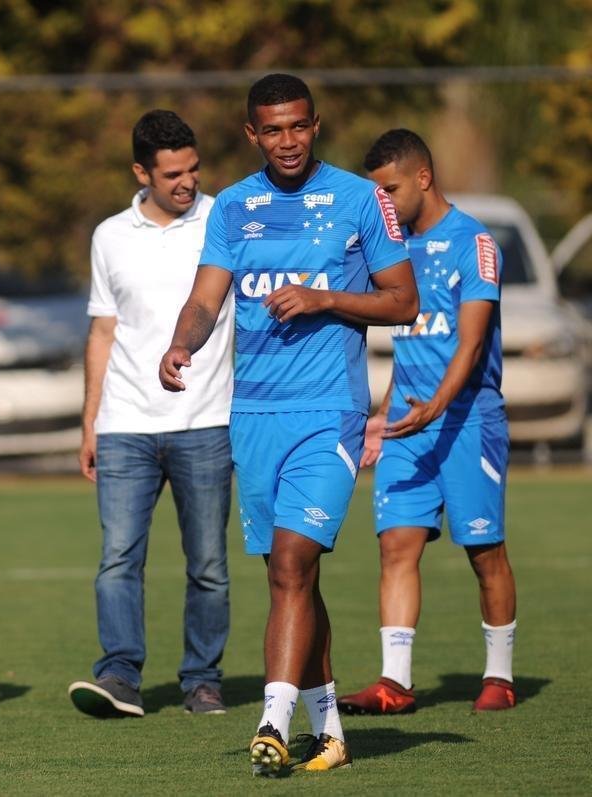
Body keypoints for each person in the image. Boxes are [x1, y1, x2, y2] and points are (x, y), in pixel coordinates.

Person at [159, 74, 418, 776]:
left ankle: (272, 722)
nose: (287, 140)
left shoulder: (361, 201)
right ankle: (330, 731)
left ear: (316, 124)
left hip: (328, 412)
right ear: (251, 134)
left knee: (294, 564)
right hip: (254, 417)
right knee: (291, 574)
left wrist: (324, 297)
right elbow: (206, 299)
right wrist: (183, 341)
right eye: (272, 130)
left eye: (298, 126)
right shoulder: (234, 208)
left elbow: (403, 299)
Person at [338, 129, 517, 715]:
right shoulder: (392, 252)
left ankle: (499, 674)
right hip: (409, 426)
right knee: (396, 546)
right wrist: (386, 409)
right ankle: (395, 683)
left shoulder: (475, 242)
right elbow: (412, 345)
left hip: (467, 421)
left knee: (484, 551)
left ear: (423, 177)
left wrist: (436, 406)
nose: (381, 203)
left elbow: (470, 343)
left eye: (389, 190)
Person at [67, 110, 234, 719]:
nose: (186, 182)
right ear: (142, 172)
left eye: (193, 169)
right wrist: (90, 421)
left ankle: (202, 680)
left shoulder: (225, 219)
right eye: (171, 174)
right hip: (125, 425)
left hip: (207, 421)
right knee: (118, 559)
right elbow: (103, 331)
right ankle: (119, 677)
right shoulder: (110, 235)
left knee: (209, 564)